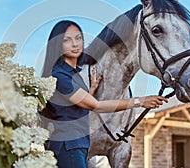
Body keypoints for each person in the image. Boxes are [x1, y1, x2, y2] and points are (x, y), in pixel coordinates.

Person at [40, 20, 167, 168]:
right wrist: (140, 101)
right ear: (58, 45)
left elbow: (75, 106)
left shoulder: (74, 75)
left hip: (78, 145)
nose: (75, 44)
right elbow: (96, 106)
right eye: (67, 40)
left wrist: (91, 90)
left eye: (78, 38)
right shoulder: (60, 75)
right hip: (68, 147)